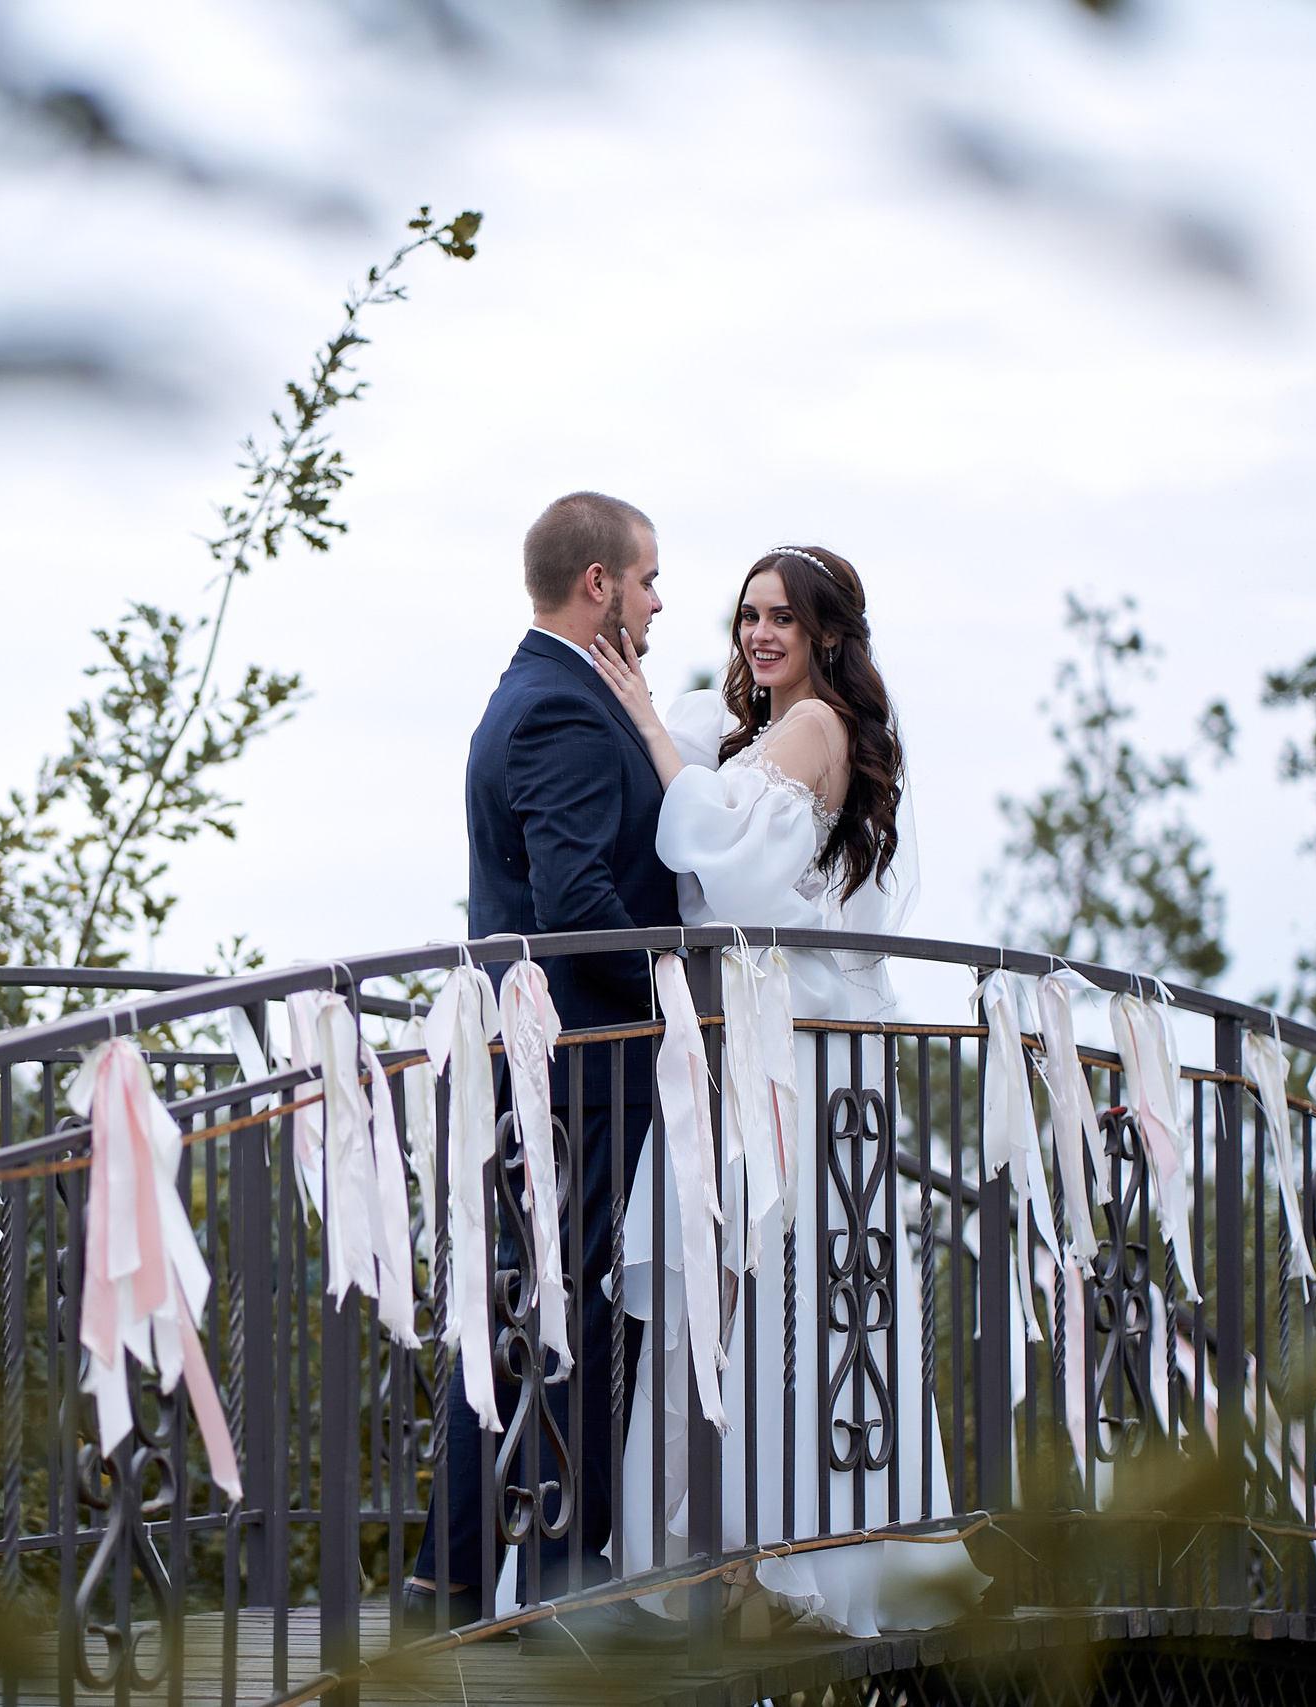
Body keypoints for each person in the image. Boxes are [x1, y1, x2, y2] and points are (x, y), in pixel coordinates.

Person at [584, 545, 986, 1639]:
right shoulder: (776, 729)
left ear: (825, 636)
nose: (758, 635)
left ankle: (752, 1549)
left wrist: (652, 729)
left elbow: (736, 871)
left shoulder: (811, 726)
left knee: (766, 1281)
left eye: (781, 620)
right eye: (748, 616)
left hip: (783, 1054)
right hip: (787, 1044)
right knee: (779, 1284)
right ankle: (754, 1545)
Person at [402, 490, 681, 1646]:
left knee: (536, 1309)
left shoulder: (543, 692)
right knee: (566, 1312)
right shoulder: (560, 709)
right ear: (597, 583)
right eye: (649, 578)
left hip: (562, 1064)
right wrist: (677, 992)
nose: (660, 601)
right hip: (582, 1066)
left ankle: (457, 1584)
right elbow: (574, 906)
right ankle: (550, 1576)